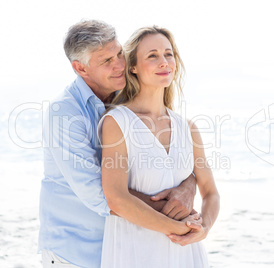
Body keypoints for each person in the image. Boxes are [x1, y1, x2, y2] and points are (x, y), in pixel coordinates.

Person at [38, 20, 198, 268]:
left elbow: (172, 157)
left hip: (125, 250)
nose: (119, 65)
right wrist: (176, 215)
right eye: (106, 61)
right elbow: (100, 194)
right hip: (75, 253)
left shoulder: (129, 99)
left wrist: (188, 186)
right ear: (81, 68)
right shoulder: (65, 114)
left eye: (119, 54)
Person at [98, 26, 220, 267]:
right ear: (132, 66)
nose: (164, 62)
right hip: (135, 252)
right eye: (152, 55)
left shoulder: (188, 127)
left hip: (187, 254)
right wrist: (179, 228)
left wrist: (203, 228)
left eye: (168, 54)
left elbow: (211, 193)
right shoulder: (117, 122)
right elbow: (116, 199)